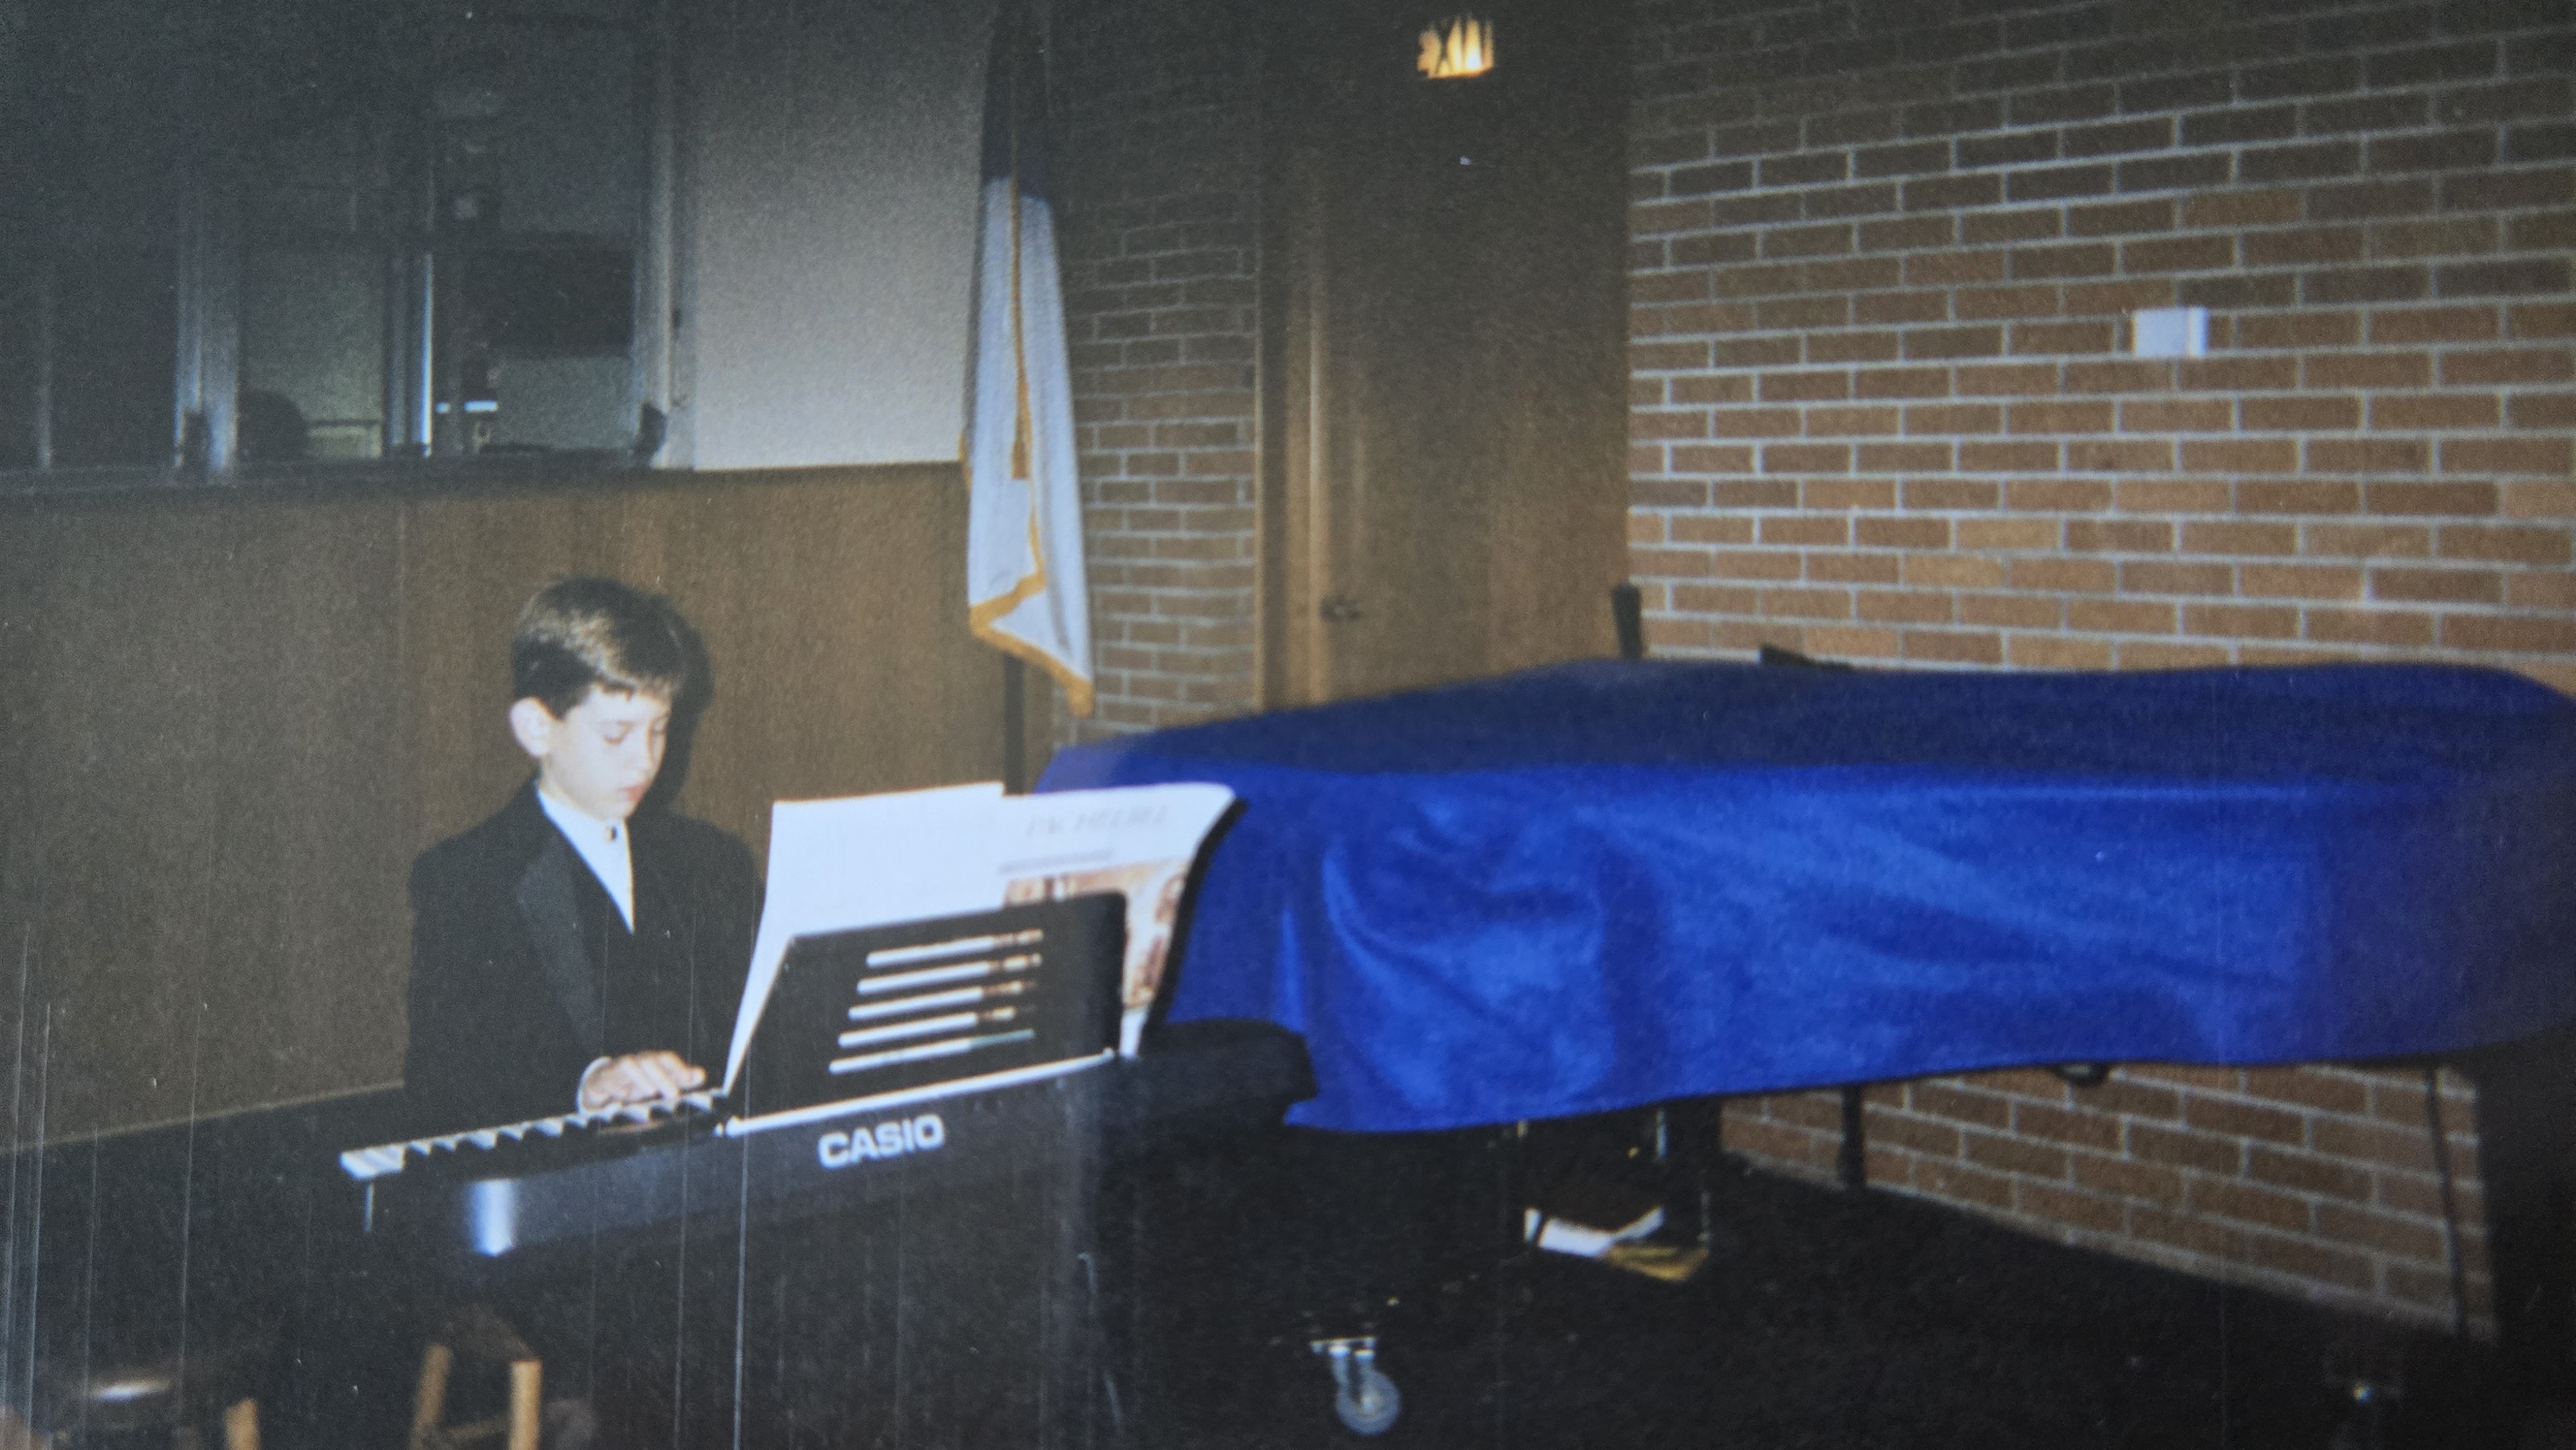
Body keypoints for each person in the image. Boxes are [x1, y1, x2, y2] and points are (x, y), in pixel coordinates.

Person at [404, 576, 761, 1136]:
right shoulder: (466, 881)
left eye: (660, 730)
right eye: (616, 736)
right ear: (536, 728)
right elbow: (445, 1085)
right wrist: (586, 1084)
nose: (645, 762)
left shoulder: (714, 863)